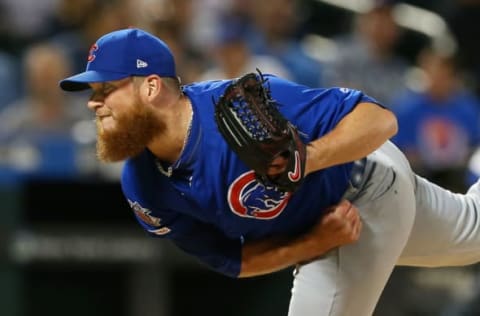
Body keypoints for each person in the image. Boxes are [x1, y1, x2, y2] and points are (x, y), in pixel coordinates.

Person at [59, 28, 480, 316]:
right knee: (473, 234)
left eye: (106, 89)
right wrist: (314, 241)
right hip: (329, 229)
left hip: (363, 191)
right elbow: (234, 261)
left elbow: (380, 120)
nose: (94, 103)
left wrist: (307, 158)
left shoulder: (236, 105)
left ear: (150, 87)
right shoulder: (143, 184)